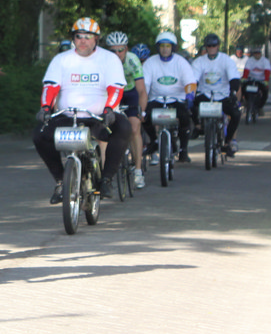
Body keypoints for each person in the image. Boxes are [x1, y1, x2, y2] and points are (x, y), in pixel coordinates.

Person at [33, 17, 131, 202]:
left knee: (124, 127)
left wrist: (109, 109)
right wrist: (45, 108)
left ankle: (107, 179)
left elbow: (116, 88)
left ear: (96, 39)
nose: (83, 41)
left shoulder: (109, 59)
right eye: (79, 36)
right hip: (68, 116)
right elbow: (50, 87)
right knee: (39, 134)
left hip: (99, 117)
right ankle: (61, 181)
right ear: (73, 38)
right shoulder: (61, 60)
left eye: (88, 36)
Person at [141, 30, 197, 164]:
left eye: (168, 46)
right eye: (162, 46)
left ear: (173, 47)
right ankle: (154, 141)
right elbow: (145, 84)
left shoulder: (181, 62)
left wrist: (189, 97)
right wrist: (143, 101)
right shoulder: (150, 62)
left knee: (185, 118)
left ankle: (183, 149)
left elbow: (190, 82)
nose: (165, 49)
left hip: (176, 99)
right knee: (144, 117)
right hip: (156, 99)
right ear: (158, 47)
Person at [105, 31, 148, 188]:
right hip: (111, 94)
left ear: (126, 49)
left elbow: (142, 91)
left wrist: (141, 112)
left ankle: (138, 170)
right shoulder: (104, 61)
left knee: (135, 128)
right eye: (113, 51)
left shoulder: (133, 61)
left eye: (120, 50)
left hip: (129, 93)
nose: (117, 54)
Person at [190, 33, 242, 156]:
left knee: (236, 114)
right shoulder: (199, 62)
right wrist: (191, 93)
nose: (211, 48)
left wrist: (233, 92)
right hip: (205, 94)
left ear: (218, 46)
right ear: (206, 47)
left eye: (214, 46)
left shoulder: (226, 60)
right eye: (209, 46)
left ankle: (228, 141)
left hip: (222, 95)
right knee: (190, 104)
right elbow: (193, 80)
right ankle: (198, 126)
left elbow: (234, 78)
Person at [241, 48, 271, 115]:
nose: (257, 55)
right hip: (251, 79)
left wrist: (266, 80)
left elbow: (267, 71)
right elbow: (246, 70)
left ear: (260, 54)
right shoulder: (250, 60)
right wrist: (244, 78)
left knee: (265, 92)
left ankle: (260, 107)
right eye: (255, 54)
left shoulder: (265, 61)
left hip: (261, 80)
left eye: (258, 53)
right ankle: (245, 102)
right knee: (243, 89)